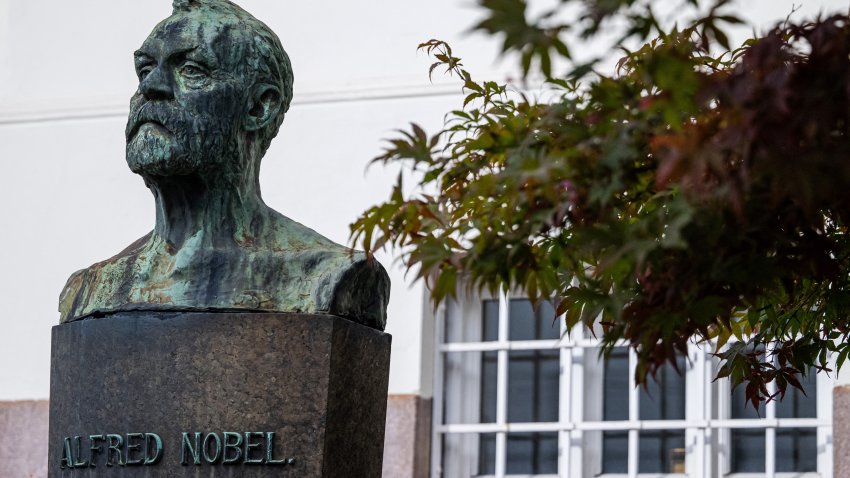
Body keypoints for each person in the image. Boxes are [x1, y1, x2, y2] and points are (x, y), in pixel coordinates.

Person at [58, 0, 390, 330]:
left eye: (191, 70)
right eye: (145, 70)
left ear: (259, 107)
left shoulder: (327, 277)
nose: (150, 87)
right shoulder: (90, 289)